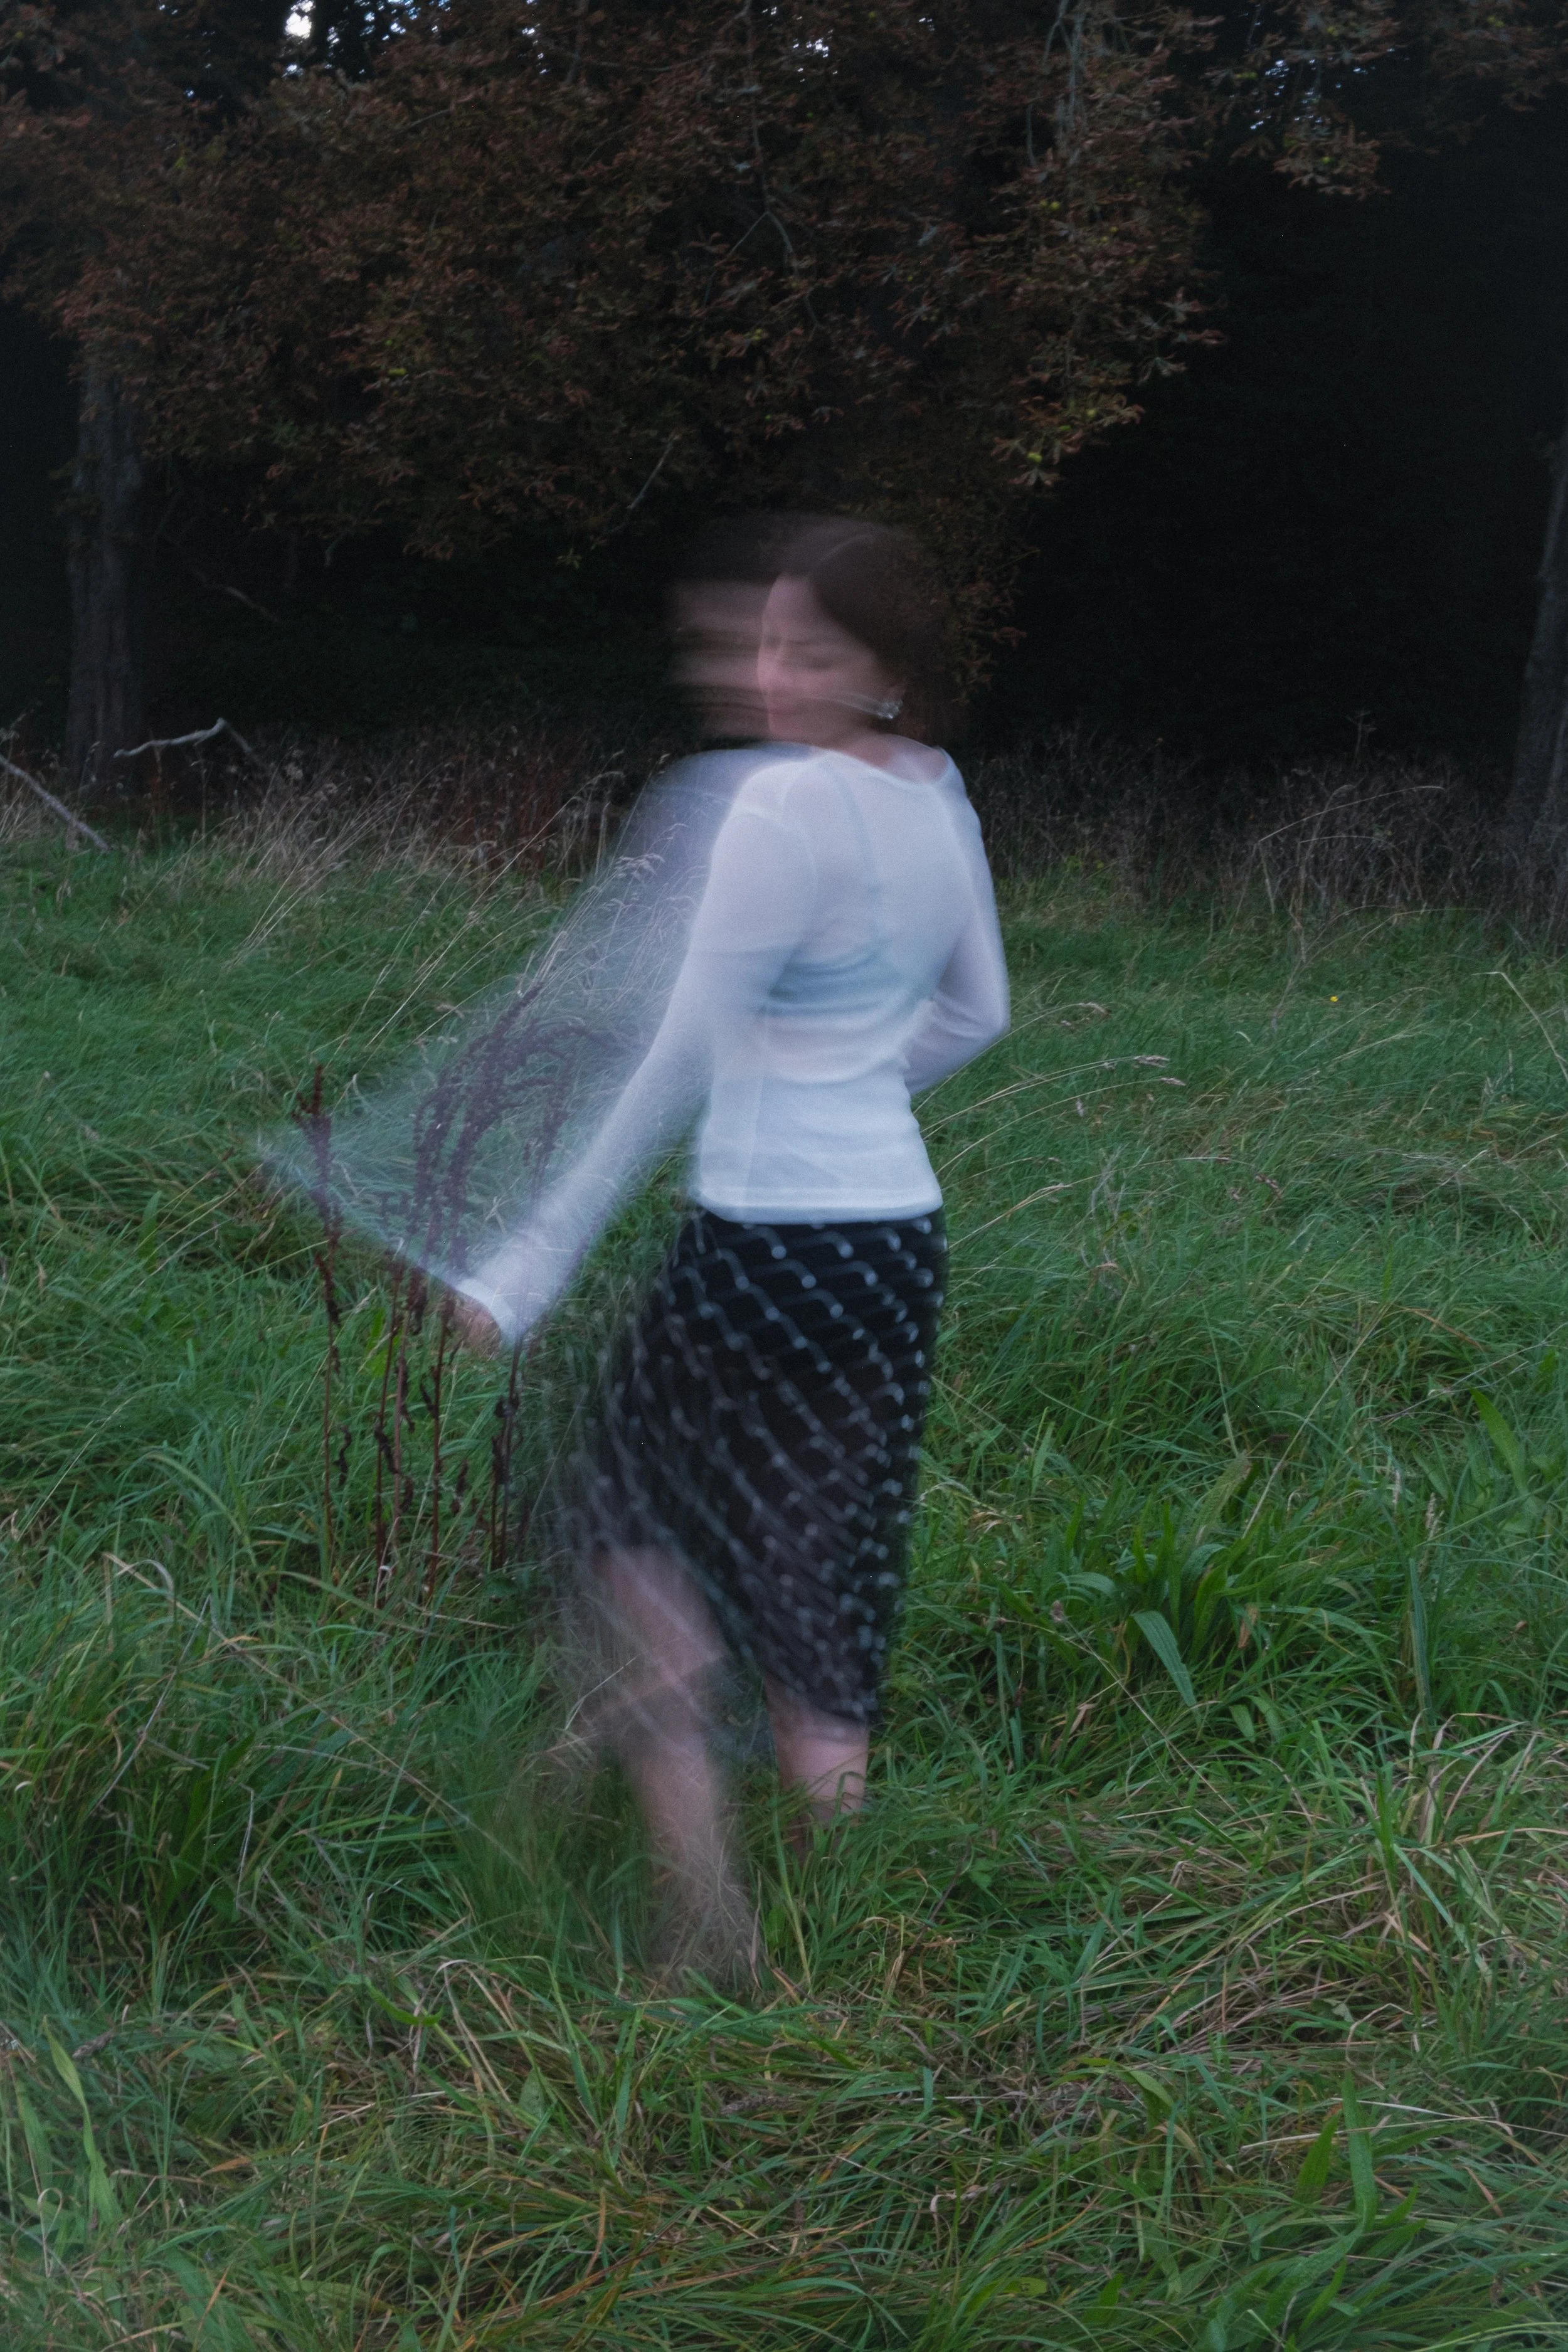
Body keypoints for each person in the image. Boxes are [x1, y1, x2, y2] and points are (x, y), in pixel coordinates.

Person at [451, 516, 1009, 1971]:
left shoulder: (776, 813)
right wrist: (856, 1080)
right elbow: (977, 1016)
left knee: (624, 1532)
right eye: (766, 640)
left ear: (878, 668)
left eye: (808, 651)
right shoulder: (937, 795)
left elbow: (675, 1056)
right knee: (829, 1555)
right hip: (894, 1242)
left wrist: (527, 1262)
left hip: (762, 1237)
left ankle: (706, 1910)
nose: (772, 673)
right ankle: (844, 1929)